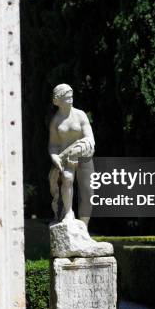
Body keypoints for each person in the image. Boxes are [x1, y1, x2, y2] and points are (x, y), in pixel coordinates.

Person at [48, 83, 95, 227]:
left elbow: (90, 138)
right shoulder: (56, 120)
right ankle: (68, 213)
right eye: (67, 98)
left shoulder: (80, 115)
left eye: (71, 97)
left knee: (88, 192)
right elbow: (53, 145)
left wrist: (81, 147)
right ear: (58, 100)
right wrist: (54, 157)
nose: (70, 100)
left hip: (84, 155)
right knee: (67, 179)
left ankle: (84, 227)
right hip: (65, 157)